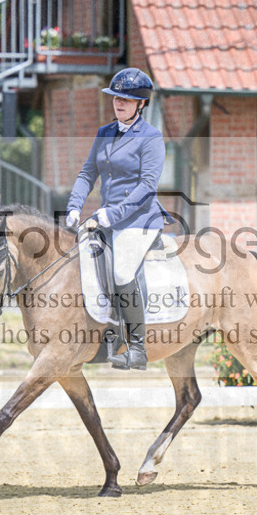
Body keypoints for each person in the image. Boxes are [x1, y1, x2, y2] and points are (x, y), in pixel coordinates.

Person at [65, 68, 168, 371]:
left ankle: (136, 348)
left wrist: (113, 213)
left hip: (139, 219)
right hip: (107, 218)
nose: (119, 103)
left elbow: (147, 186)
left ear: (141, 104)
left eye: (126, 99)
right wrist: (74, 207)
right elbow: (87, 173)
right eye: (116, 98)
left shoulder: (151, 138)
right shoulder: (105, 133)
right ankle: (103, 333)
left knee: (122, 272)